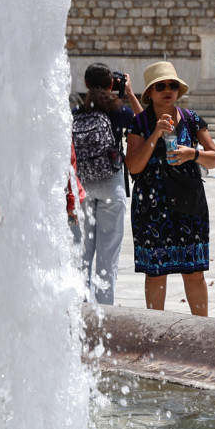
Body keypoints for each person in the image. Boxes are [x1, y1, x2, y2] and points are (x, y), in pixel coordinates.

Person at [124, 62, 215, 315]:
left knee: (194, 272)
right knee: (156, 272)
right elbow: (133, 166)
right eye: (161, 86)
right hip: (151, 209)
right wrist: (155, 134)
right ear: (150, 93)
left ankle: (202, 330)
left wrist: (193, 154)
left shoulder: (191, 119)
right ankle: (157, 333)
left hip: (189, 206)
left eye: (172, 85)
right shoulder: (140, 123)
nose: (167, 90)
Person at [73, 63, 141, 305]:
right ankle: (105, 314)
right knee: (107, 257)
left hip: (82, 185)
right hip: (111, 184)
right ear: (111, 84)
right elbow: (143, 121)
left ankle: (80, 312)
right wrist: (130, 92)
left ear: (86, 84)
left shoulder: (77, 112)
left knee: (81, 254)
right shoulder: (119, 111)